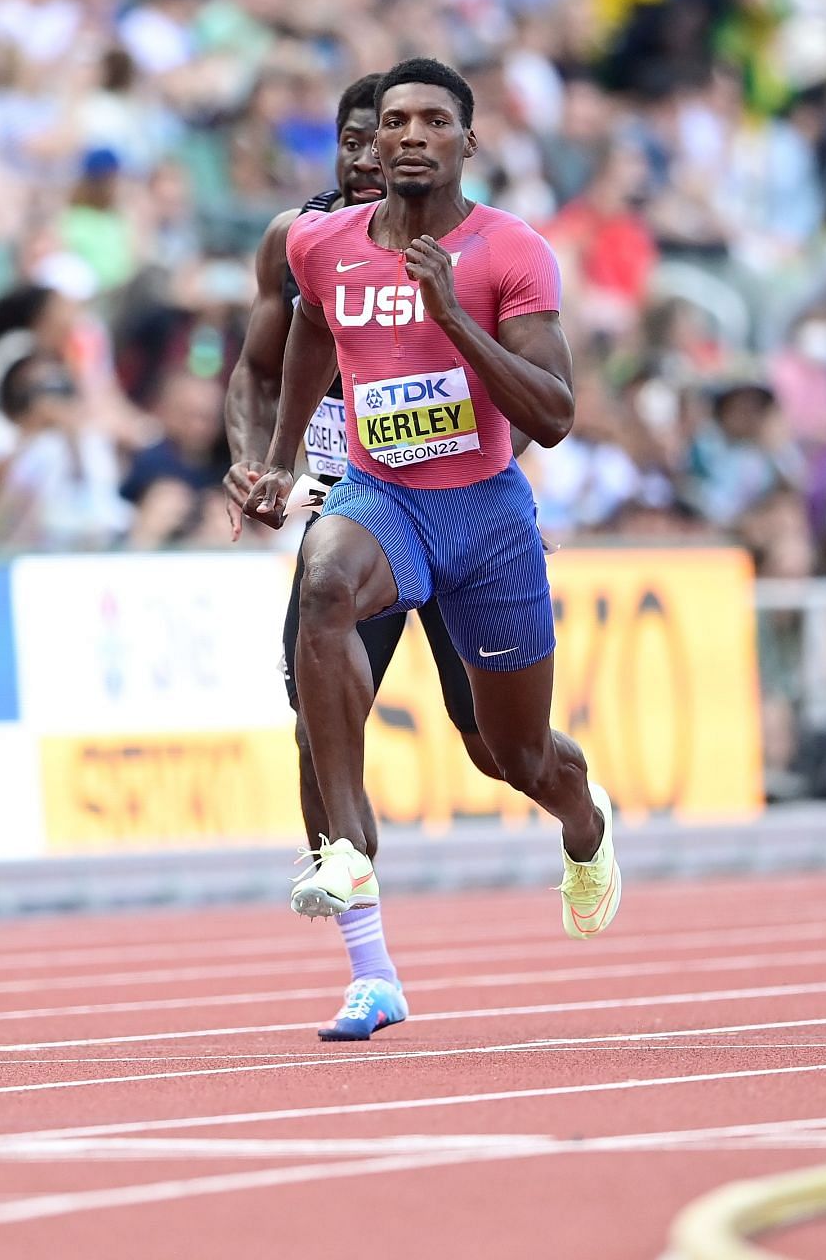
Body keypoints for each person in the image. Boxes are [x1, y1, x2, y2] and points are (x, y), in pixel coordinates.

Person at [242, 59, 621, 968]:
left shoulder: (510, 250)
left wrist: (453, 315)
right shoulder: (321, 245)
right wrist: (275, 465)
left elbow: (556, 416)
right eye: (397, 122)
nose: (413, 134)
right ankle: (348, 845)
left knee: (513, 755)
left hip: (487, 513)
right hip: (382, 497)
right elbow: (307, 342)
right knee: (326, 579)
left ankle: (587, 819)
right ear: (372, 141)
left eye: (436, 121)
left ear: (467, 141)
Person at [224, 73, 510, 1042]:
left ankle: (560, 788)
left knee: (493, 742)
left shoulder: (457, 247)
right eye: (354, 141)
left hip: (457, 507)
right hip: (357, 510)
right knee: (317, 719)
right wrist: (257, 466)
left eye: (378, 139)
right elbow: (256, 373)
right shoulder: (300, 245)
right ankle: (369, 962)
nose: (366, 157)